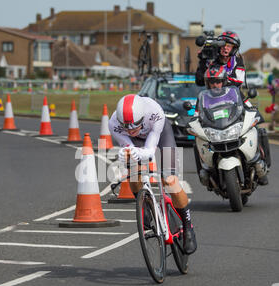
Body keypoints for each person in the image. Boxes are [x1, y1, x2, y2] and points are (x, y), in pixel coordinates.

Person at [108, 94, 197, 255]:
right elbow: (127, 143)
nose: (130, 129)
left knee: (169, 180)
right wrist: (126, 151)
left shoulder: (154, 111)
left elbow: (150, 149)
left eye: (135, 125)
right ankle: (145, 206)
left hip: (161, 136)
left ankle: (187, 225)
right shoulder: (114, 122)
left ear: (142, 117)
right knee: (134, 173)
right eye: (126, 127)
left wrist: (142, 153)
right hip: (137, 142)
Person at [195, 65, 269, 185]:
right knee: (197, 139)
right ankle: (205, 169)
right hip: (215, 130)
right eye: (212, 82)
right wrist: (193, 123)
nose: (215, 85)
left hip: (234, 125)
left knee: (258, 130)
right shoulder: (203, 98)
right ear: (207, 83)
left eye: (218, 81)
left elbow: (247, 104)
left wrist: (253, 111)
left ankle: (260, 163)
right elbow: (197, 114)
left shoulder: (234, 92)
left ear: (223, 81)